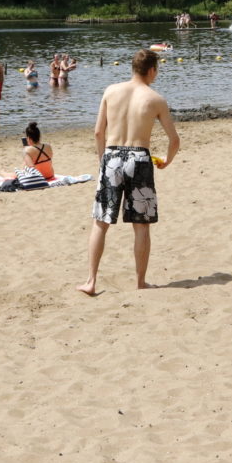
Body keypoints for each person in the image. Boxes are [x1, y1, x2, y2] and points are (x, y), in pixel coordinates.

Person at [78, 49, 179, 296]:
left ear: (133, 68)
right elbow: (174, 139)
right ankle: (140, 282)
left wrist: (103, 161)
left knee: (100, 222)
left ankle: (91, 281)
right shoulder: (156, 99)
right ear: (152, 70)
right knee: (141, 225)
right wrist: (167, 160)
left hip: (112, 156)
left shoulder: (111, 91)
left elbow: (98, 132)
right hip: (139, 158)